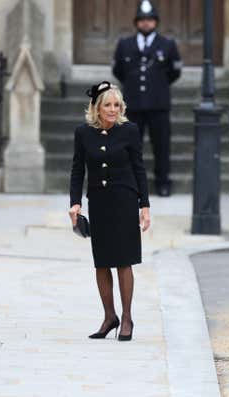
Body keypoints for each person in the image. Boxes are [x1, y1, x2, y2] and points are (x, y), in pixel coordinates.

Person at [69, 81, 151, 342]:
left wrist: (144, 206)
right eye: (108, 105)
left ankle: (126, 318)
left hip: (125, 200)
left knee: (123, 260)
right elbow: (77, 170)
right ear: (97, 107)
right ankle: (109, 317)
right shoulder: (83, 133)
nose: (113, 109)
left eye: (117, 105)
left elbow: (139, 169)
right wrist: (75, 203)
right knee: (102, 261)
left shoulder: (130, 131)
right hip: (99, 202)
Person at [112, 0, 182, 197]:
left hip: (158, 105)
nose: (145, 23)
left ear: (156, 22)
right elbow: (119, 70)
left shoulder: (168, 45)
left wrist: (157, 86)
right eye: (142, 20)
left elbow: (174, 73)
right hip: (132, 104)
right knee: (131, 147)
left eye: (149, 19)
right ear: (136, 22)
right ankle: (131, 182)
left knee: (161, 146)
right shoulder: (124, 44)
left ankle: (163, 182)